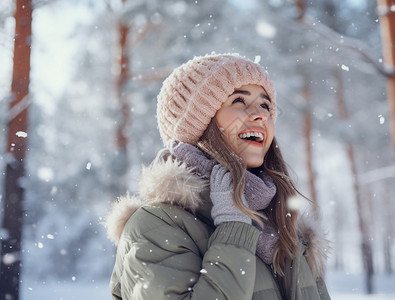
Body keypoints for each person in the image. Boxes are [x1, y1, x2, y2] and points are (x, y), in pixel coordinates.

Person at [105, 53, 331, 299]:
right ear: (198, 125)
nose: (261, 115)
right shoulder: (154, 226)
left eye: (265, 105)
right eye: (238, 101)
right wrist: (233, 228)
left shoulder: (285, 227)